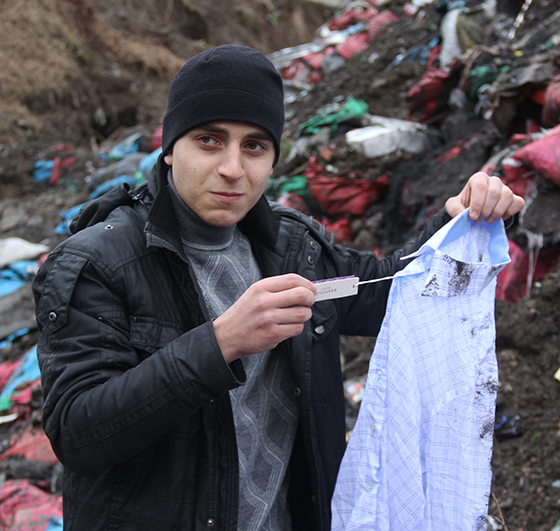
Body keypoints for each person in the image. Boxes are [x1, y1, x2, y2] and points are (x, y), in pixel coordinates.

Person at [32, 45, 524, 531]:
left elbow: (387, 291)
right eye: (209, 140)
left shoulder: (292, 246)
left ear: (272, 160)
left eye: (254, 146)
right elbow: (77, 434)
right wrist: (221, 344)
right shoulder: (97, 262)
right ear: (169, 149)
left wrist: (457, 223)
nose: (232, 168)